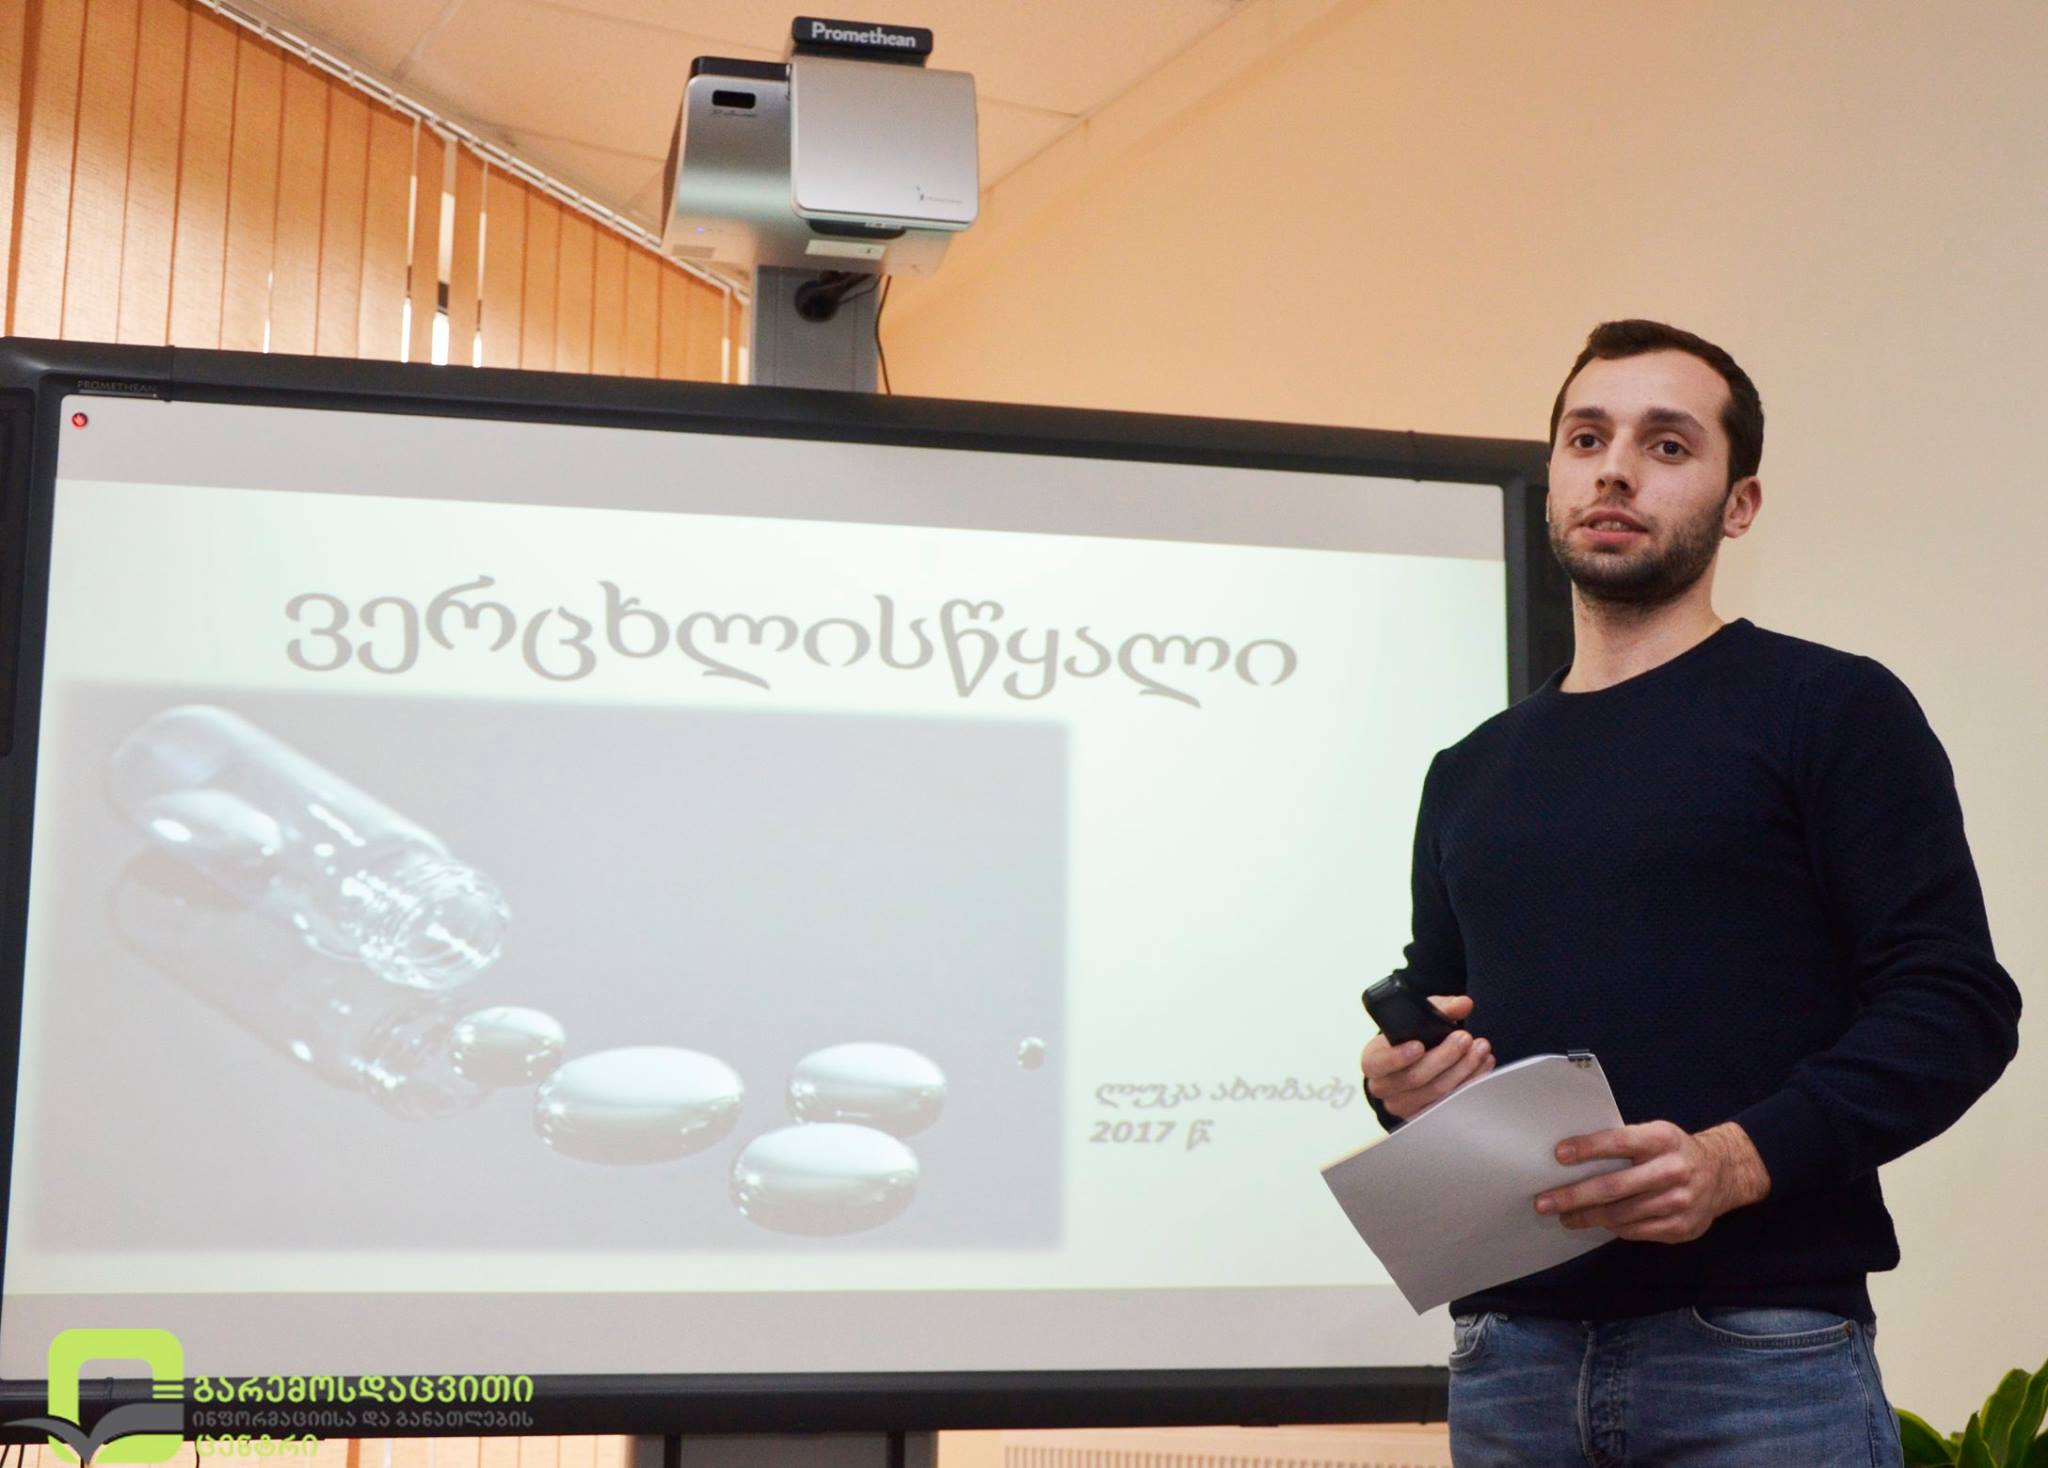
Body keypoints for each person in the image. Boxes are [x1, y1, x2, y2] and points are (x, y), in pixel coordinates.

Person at [1357, 319, 2022, 1468]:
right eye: (1585, 439)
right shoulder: (1468, 771)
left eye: (1665, 445)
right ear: (1552, 480)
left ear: (1738, 503)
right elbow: (1448, 1012)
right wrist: (1401, 1084)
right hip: (1507, 1363)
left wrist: (1735, 1158)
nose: (1614, 468)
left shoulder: (1828, 709)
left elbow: (1953, 1006)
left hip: (1756, 1359)